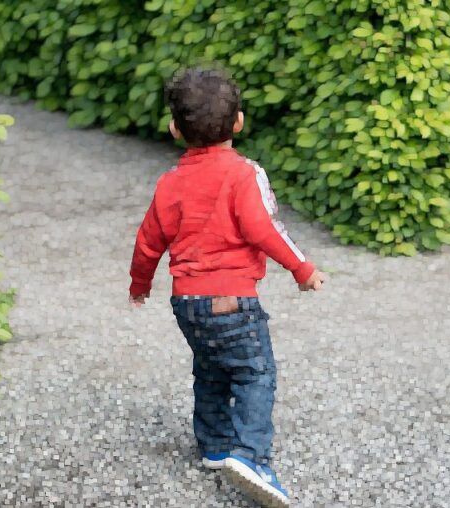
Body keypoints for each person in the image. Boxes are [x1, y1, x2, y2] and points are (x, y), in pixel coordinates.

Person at [128, 66, 326, 507]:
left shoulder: (169, 183)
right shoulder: (243, 174)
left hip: (186, 302)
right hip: (232, 300)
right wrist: (302, 268)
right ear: (238, 121)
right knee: (256, 373)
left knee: (211, 368)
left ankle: (215, 446)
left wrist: (140, 285)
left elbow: (148, 242)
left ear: (174, 128)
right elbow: (265, 229)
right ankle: (250, 456)